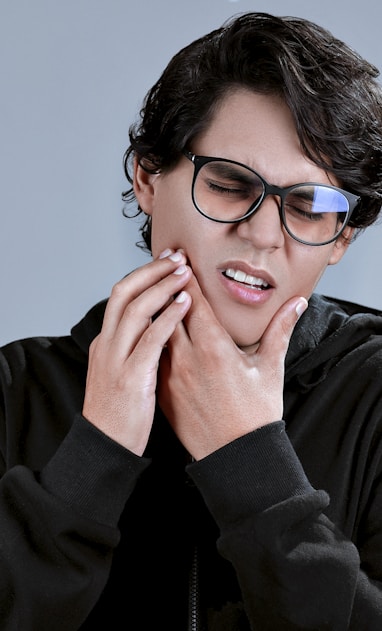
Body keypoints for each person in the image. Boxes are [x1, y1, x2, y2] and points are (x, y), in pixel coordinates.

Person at [1, 10, 382, 630]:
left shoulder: (374, 392)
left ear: (341, 238)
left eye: (310, 206)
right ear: (148, 179)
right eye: (231, 184)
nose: (262, 235)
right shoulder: (17, 389)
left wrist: (252, 463)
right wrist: (95, 452)